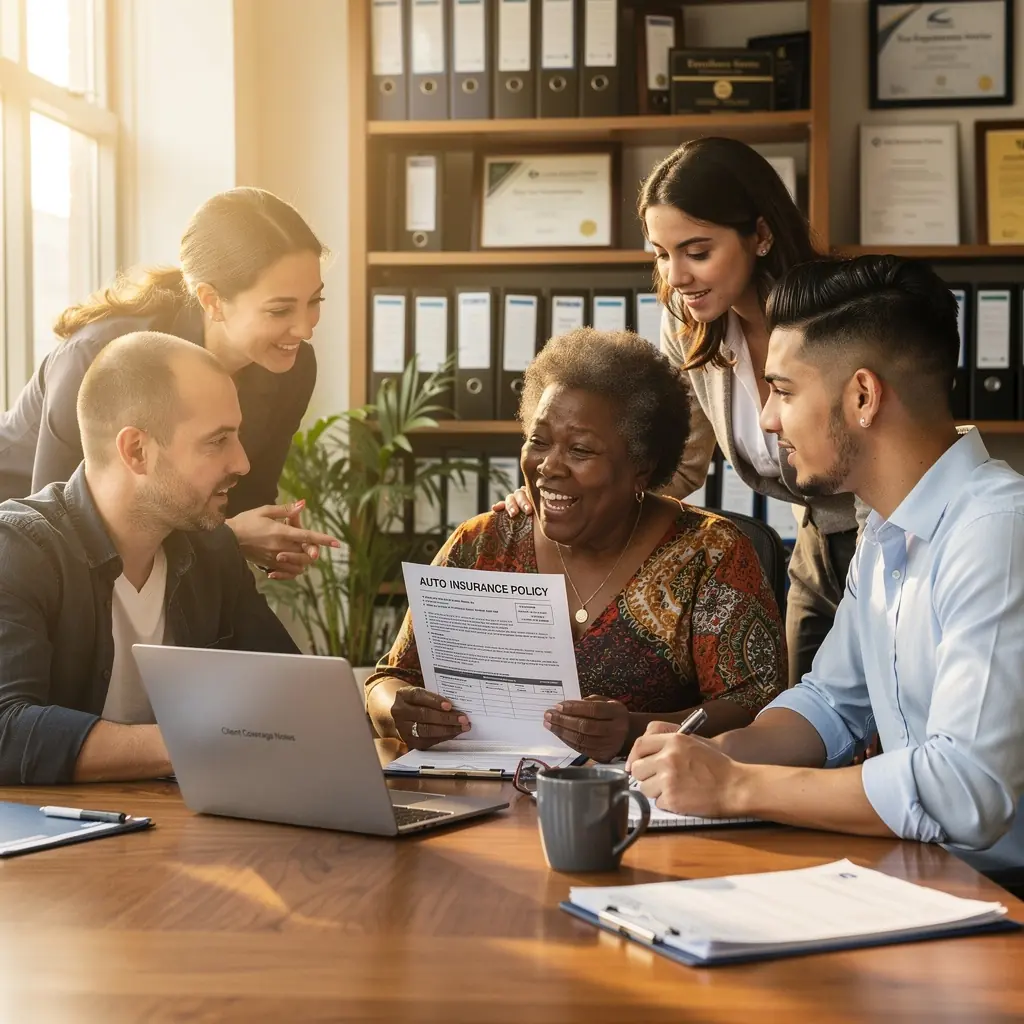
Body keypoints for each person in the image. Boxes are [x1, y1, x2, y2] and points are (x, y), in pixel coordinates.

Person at [627, 256, 1024, 894]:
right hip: (922, 876)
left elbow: (965, 789)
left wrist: (736, 786)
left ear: (863, 397)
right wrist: (715, 753)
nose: (767, 420)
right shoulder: (886, 531)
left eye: (783, 392)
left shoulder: (996, 531)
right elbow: (831, 703)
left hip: (1001, 896)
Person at [496, 138, 858, 687]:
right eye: (662, 254)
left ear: (761, 235)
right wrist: (570, 497)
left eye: (697, 251)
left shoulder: (834, 316)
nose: (677, 276)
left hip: (887, 532)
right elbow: (679, 461)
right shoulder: (689, 324)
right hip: (816, 540)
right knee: (809, 709)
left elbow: (882, 452)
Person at [366, 329, 786, 761]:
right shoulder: (481, 543)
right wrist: (399, 712)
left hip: (643, 793)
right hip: (476, 791)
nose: (549, 466)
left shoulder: (710, 552)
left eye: (580, 450)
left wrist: (635, 730)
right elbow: (389, 679)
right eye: (539, 441)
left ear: (642, 465)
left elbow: (756, 703)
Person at [0, 331, 301, 785]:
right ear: (137, 451)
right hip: (53, 828)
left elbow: (293, 694)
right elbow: (6, 731)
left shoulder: (213, 550)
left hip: (178, 820)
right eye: (217, 440)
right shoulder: (20, 549)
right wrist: (198, 742)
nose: (242, 462)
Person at [0, 187, 337, 580]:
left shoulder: (291, 367)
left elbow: (243, 498)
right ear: (212, 301)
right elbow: (56, 533)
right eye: (280, 310)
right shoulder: (100, 358)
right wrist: (231, 538)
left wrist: (270, 542)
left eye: (314, 301)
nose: (305, 329)